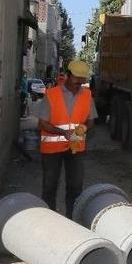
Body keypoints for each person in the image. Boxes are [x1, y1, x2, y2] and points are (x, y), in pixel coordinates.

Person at [35, 59, 97, 218]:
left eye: (82, 81)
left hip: (76, 148)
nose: (79, 84)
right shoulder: (52, 94)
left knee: (75, 187)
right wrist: (62, 132)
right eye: (77, 80)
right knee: (49, 186)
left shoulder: (87, 95)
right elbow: (42, 123)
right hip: (51, 149)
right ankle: (49, 219)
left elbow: (91, 120)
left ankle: (72, 218)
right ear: (68, 76)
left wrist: (84, 127)